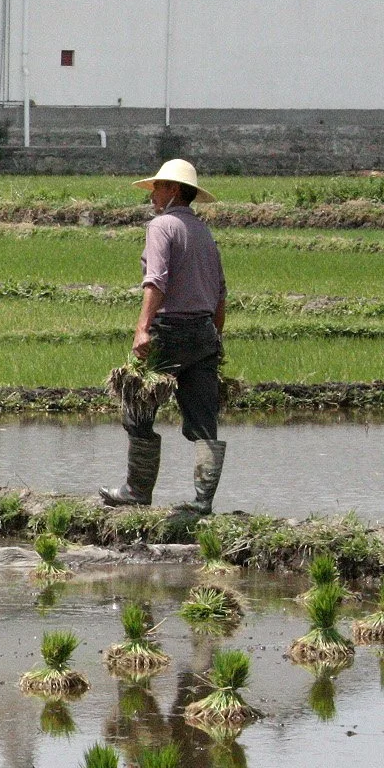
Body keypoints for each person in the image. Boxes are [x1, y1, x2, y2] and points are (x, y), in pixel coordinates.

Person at [100, 159, 228, 514]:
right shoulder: (203, 232)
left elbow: (155, 281)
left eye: (157, 187)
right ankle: (203, 502)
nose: (152, 194)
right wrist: (215, 340)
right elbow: (220, 294)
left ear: (173, 189)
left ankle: (137, 490)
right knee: (203, 421)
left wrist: (143, 328)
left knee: (137, 408)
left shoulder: (161, 226)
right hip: (203, 334)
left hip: (168, 331)